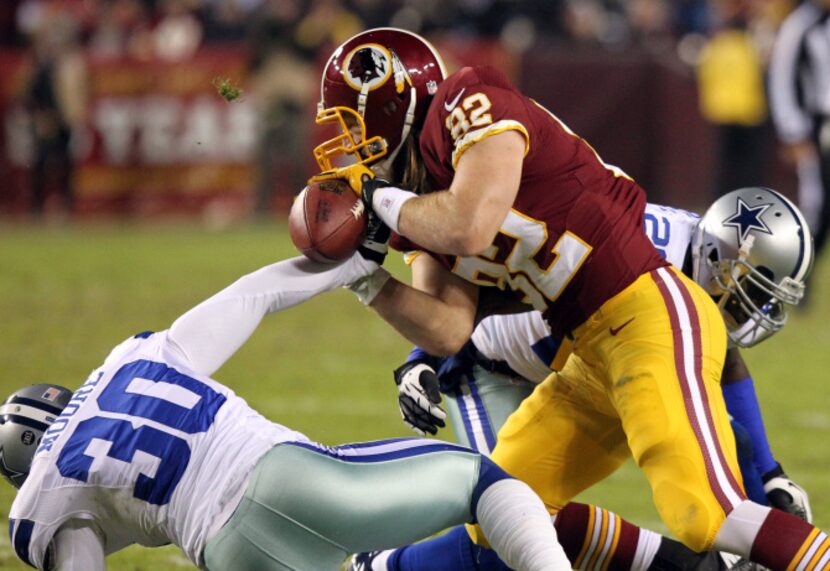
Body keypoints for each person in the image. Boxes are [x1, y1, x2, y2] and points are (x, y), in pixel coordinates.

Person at [310, 27, 830, 569]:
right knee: (503, 513)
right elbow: (446, 329)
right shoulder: (419, 205)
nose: (347, 146)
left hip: (643, 309)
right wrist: (362, 278)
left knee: (707, 515)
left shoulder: (466, 102)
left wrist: (377, 197)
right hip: (586, 352)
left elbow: (469, 225)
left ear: (392, 105)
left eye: (351, 124)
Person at [1, 248, 572, 570]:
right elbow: (256, 293)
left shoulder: (42, 499)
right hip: (285, 478)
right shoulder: (131, 360)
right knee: (485, 481)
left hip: (227, 555)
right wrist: (353, 266)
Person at [353, 188, 815, 570]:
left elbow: (728, 359)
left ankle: (742, 562)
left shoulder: (695, 258)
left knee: (733, 445)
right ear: (722, 259)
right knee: (511, 529)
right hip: (489, 365)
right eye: (754, 290)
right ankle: (383, 567)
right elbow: (502, 266)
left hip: (588, 367)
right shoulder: (650, 261)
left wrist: (772, 473)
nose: (758, 310)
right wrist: (425, 354)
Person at [769, 0, 830, 262]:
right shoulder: (800, 24)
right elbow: (781, 79)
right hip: (818, 124)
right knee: (816, 202)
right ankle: (802, 268)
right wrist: (793, 130)